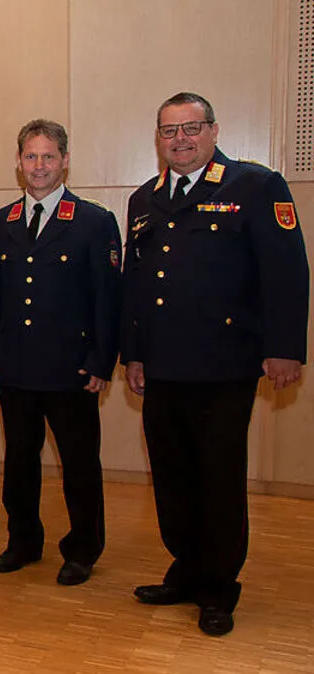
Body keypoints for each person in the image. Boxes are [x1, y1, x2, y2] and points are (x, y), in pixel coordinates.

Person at [122, 92, 309, 635]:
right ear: (158, 138)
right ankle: (185, 569)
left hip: (224, 364)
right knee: (171, 476)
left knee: (218, 478)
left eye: (191, 128)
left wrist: (285, 347)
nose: (180, 139)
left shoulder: (255, 186)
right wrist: (134, 352)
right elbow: (135, 284)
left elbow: (287, 271)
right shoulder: (144, 198)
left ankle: (219, 586)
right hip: (162, 365)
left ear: (213, 130)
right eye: (169, 130)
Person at [0, 119, 121, 586]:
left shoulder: (94, 222)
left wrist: (102, 361)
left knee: (79, 464)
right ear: (19, 162)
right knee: (19, 460)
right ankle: (23, 541)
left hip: (71, 368)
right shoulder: (0, 224)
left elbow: (107, 299)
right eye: (31, 156)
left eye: (48, 156)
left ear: (65, 160)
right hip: (16, 365)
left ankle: (82, 549)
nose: (39, 166)